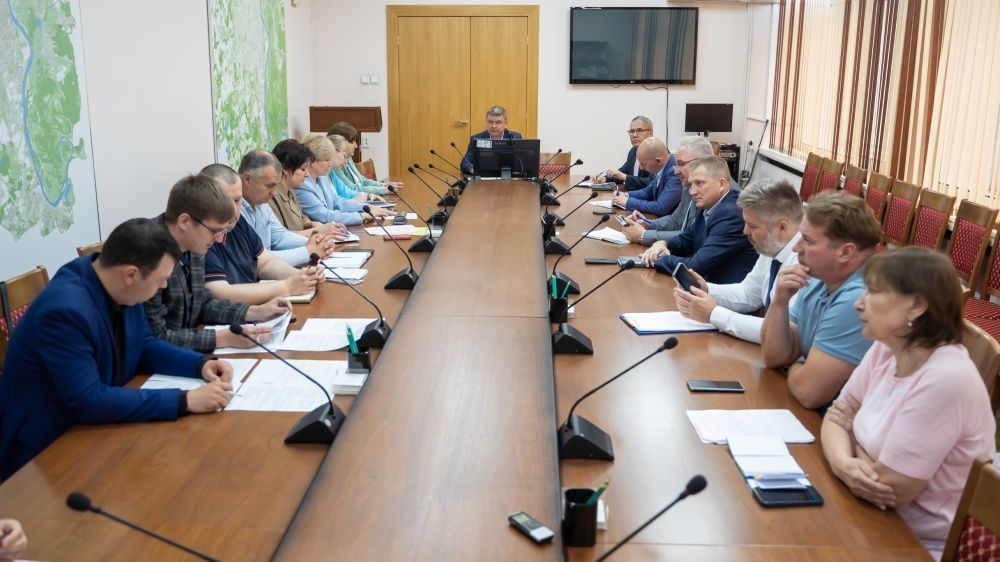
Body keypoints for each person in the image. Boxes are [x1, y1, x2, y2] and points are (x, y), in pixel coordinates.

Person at [0, 218, 234, 479]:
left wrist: (200, 364)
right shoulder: (65, 311)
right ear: (131, 274)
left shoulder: (115, 283)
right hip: (44, 453)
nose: (164, 286)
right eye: (160, 280)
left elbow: (144, 344)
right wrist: (186, 400)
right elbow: (88, 400)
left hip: (95, 429)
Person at [821, 247, 995, 559]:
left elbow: (889, 490)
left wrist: (851, 442)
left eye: (873, 292)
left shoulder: (945, 378)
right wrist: (846, 465)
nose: (859, 303)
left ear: (916, 305)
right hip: (864, 515)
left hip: (914, 542)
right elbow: (836, 416)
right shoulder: (888, 346)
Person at [145, 174, 290, 353]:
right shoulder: (149, 252)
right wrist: (223, 338)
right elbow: (156, 337)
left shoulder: (193, 241)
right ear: (184, 221)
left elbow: (203, 303)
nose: (220, 239)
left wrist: (254, 312)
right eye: (214, 231)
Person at [761, 191, 880, 409]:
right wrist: (779, 302)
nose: (796, 248)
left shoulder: (859, 299)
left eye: (807, 240)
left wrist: (795, 366)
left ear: (845, 252)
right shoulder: (819, 278)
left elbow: (808, 392)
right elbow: (774, 356)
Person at [674, 179, 803, 343]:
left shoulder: (805, 262)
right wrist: (706, 289)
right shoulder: (772, 246)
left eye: (752, 226)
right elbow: (748, 294)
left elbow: (781, 332)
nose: (745, 231)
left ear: (782, 227)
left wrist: (713, 314)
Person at [201, 163, 324, 305]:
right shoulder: (201, 235)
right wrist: (287, 286)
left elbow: (265, 263)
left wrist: (303, 276)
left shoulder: (239, 222)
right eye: (228, 201)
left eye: (238, 200)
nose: (234, 210)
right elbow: (219, 292)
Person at [639, 156, 757, 284]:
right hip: (705, 285)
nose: (692, 192)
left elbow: (696, 267)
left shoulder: (731, 214)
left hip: (723, 292)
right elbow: (687, 239)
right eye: (691, 184)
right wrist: (662, 244)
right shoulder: (709, 204)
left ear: (721, 184)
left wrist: (658, 259)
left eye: (699, 183)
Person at [237, 149, 335, 267]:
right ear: (247, 179)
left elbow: (280, 237)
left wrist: (319, 244)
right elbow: (255, 259)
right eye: (270, 185)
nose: (274, 193)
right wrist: (308, 251)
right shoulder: (233, 212)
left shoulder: (261, 203)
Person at [621, 135, 714, 244]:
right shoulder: (688, 186)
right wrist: (647, 224)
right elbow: (675, 220)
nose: (676, 171)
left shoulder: (715, 195)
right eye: (676, 164)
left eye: (681, 164)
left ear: (703, 162)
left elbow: (691, 237)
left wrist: (643, 235)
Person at [296, 134, 393, 225]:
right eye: (327, 160)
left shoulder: (322, 177)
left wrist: (366, 207)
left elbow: (337, 202)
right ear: (311, 161)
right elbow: (324, 215)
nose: (330, 163)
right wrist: (362, 216)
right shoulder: (302, 186)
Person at [269, 139, 351, 240]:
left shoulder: (290, 190)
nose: (307, 174)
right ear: (285, 169)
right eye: (303, 169)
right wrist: (317, 231)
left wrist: (312, 224)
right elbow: (279, 237)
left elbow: (301, 217)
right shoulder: (271, 196)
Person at [610, 137, 682, 217]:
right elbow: (648, 192)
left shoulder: (675, 172)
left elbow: (661, 208)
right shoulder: (661, 167)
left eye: (643, 164)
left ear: (658, 160)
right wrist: (626, 195)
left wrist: (628, 202)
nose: (641, 168)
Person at [327, 121, 403, 194]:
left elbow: (361, 180)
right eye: (352, 142)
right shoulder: (335, 165)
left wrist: (384, 186)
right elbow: (352, 189)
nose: (356, 146)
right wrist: (382, 190)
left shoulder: (348, 158)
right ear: (339, 142)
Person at [595, 115, 654, 190]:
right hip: (631, 194)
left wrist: (624, 177)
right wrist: (604, 179)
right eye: (632, 131)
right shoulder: (633, 151)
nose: (634, 135)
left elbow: (652, 182)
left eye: (639, 130)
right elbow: (623, 172)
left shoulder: (657, 152)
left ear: (650, 133)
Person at [460, 105, 523, 174]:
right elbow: (465, 164)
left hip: (507, 177)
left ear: (505, 124)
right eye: (490, 122)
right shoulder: (477, 139)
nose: (493, 126)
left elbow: (522, 163)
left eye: (498, 122)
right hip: (484, 177)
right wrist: (476, 171)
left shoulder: (515, 137)